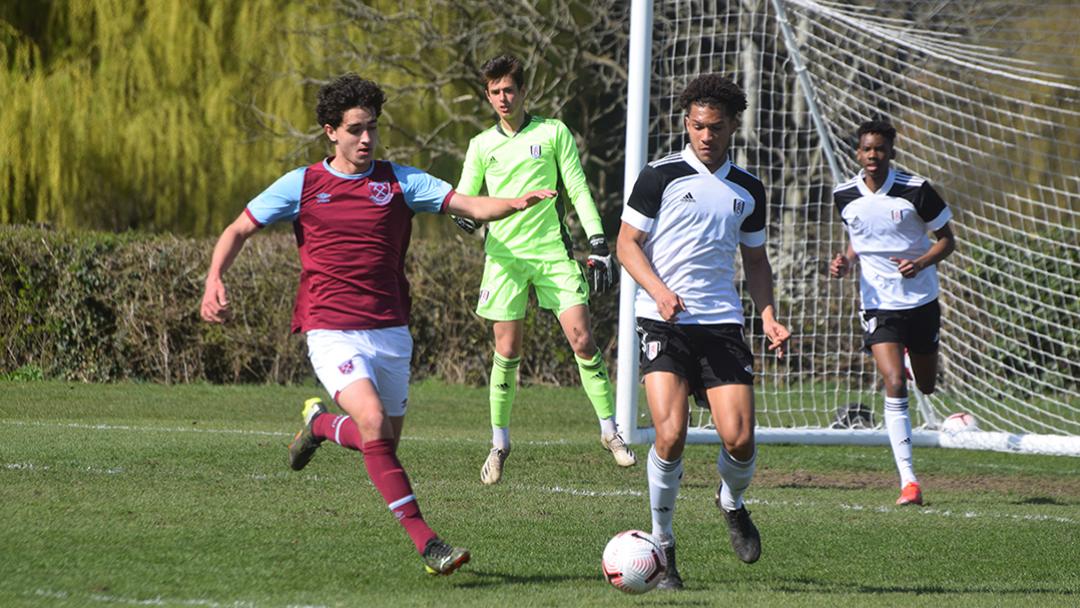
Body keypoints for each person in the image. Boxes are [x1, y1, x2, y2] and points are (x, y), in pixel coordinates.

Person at [199, 74, 555, 576]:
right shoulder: (302, 184)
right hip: (330, 327)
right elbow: (238, 228)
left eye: (372, 128)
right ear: (331, 132)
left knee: (383, 441)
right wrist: (214, 278)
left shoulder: (400, 180)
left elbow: (467, 204)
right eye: (356, 129)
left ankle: (319, 424)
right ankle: (429, 543)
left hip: (390, 329)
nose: (367, 139)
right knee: (372, 424)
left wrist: (512, 204)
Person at [617, 74, 790, 589]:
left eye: (715, 127)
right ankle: (663, 546)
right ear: (686, 123)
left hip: (720, 323)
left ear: (733, 125)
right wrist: (661, 290)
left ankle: (731, 501)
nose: (705, 135)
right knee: (669, 435)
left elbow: (755, 260)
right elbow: (628, 244)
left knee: (739, 440)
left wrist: (768, 315)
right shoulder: (660, 175)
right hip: (662, 319)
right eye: (696, 126)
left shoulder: (748, 188)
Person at [451, 54, 636, 485]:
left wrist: (597, 240)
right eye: (495, 91)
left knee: (583, 339)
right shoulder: (481, 145)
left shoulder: (552, 132)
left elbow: (576, 187)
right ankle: (499, 444)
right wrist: (463, 216)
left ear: (523, 90)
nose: (503, 98)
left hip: (553, 253)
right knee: (508, 350)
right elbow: (464, 198)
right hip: (503, 259)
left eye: (509, 89)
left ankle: (610, 433)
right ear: (487, 94)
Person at [830, 119, 956, 507]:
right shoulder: (844, 194)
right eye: (867, 149)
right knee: (894, 382)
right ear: (857, 152)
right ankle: (910, 482)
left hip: (920, 302)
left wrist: (920, 263)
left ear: (891, 152)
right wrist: (846, 261)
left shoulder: (915, 190)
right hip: (877, 304)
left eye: (880, 150)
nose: (873, 156)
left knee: (926, 384)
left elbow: (948, 241)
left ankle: (913, 362)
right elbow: (859, 238)